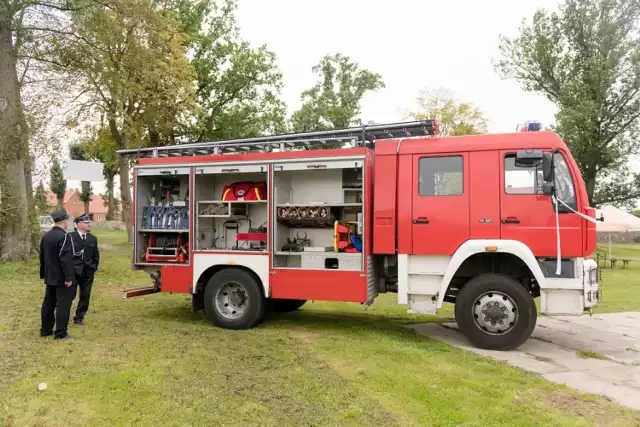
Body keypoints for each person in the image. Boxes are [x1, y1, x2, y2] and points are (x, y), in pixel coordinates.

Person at [39, 209, 76, 340]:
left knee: (49, 304)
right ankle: (60, 333)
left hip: (50, 277)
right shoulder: (65, 236)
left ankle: (46, 330)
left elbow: (42, 257)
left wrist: (44, 273)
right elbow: (66, 259)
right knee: (63, 305)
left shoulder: (46, 236)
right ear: (64, 221)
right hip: (62, 278)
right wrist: (69, 278)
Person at [69, 213, 100, 325]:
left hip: (88, 272)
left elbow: (96, 255)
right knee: (69, 295)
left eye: (89, 222)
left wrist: (93, 267)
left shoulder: (92, 239)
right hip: (73, 272)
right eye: (86, 222)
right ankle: (63, 316)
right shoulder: (70, 237)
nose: (89, 224)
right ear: (78, 224)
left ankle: (79, 317)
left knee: (85, 295)